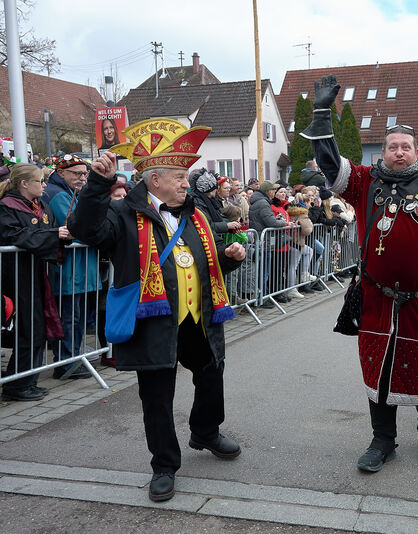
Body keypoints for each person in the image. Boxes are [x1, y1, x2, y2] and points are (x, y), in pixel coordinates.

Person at [68, 117, 246, 503]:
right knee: (157, 397)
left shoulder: (195, 214)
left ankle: (206, 430)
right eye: (180, 177)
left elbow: (206, 261)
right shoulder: (122, 215)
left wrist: (230, 258)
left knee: (212, 375)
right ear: (155, 181)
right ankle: (164, 465)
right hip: (153, 322)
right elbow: (84, 230)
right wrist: (97, 184)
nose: (187, 183)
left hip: (198, 318)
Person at [301, 75, 418, 472]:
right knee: (378, 368)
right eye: (392, 146)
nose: (399, 152)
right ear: (385, 150)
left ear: (416, 151)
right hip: (377, 300)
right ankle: (383, 441)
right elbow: (329, 163)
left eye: (406, 147)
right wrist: (322, 115)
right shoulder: (364, 181)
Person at [0, 164, 69, 401]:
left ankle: (28, 380)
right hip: (17, 278)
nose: (44, 185)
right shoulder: (7, 208)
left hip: (38, 276)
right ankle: (16, 385)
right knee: (26, 329)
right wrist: (53, 235)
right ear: (24, 184)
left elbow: (47, 232)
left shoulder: (42, 207)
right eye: (40, 181)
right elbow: (13, 236)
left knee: (37, 328)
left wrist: (63, 236)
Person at [42, 154, 99, 379]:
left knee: (77, 317)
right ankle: (66, 362)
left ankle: (73, 359)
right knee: (69, 317)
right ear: (61, 172)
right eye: (77, 173)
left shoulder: (71, 192)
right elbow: (77, 225)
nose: (82, 178)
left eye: (84, 174)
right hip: (68, 269)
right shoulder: (56, 195)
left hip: (80, 269)